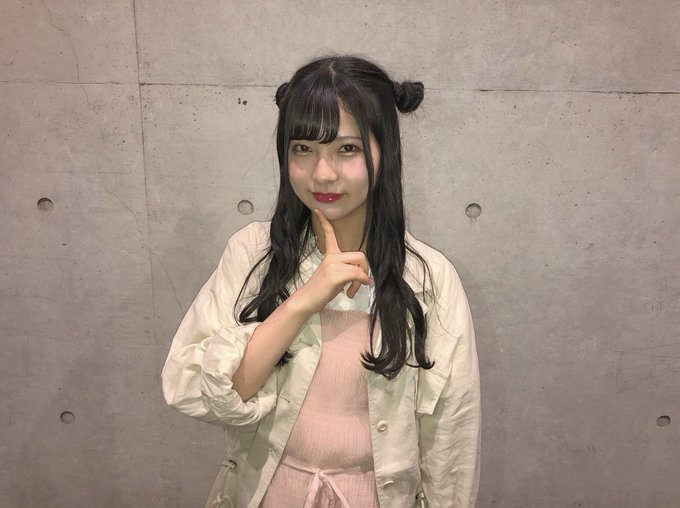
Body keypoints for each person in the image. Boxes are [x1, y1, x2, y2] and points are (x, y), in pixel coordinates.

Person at [161, 54, 481, 508]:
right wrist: (301, 302)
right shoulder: (253, 254)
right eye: (303, 149)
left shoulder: (429, 279)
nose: (322, 173)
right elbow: (192, 391)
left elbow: (451, 437)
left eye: (346, 149)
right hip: (270, 492)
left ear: (385, 151)